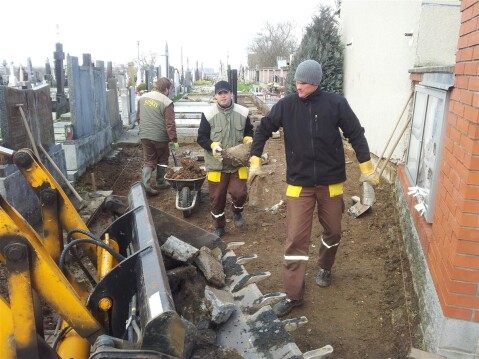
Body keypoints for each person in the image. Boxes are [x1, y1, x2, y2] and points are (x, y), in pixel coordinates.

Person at [249, 59, 379, 317]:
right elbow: (263, 129)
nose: (298, 86)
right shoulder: (286, 106)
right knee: (296, 239)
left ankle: (325, 266)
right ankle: (292, 295)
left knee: (333, 231)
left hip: (331, 183)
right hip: (299, 184)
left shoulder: (336, 104)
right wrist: (255, 160)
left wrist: (366, 167)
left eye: (303, 83)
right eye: (296, 81)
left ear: (316, 83)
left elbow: (355, 133)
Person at [197, 80, 254, 237]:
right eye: (219, 93)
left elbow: (249, 131)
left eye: (225, 93)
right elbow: (201, 137)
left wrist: (248, 140)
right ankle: (219, 225)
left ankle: (237, 212)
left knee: (240, 193)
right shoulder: (208, 115)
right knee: (217, 198)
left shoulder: (243, 113)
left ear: (231, 94)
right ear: (216, 96)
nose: (223, 96)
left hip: (238, 162)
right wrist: (212, 145)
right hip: (216, 164)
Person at [136, 77, 179, 195]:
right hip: (160, 137)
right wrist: (174, 140)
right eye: (169, 89)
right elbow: (170, 124)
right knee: (163, 158)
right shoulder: (167, 102)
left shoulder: (143, 98)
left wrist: (144, 130)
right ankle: (160, 181)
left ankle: (146, 184)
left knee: (149, 160)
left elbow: (138, 117)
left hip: (144, 135)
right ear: (166, 89)